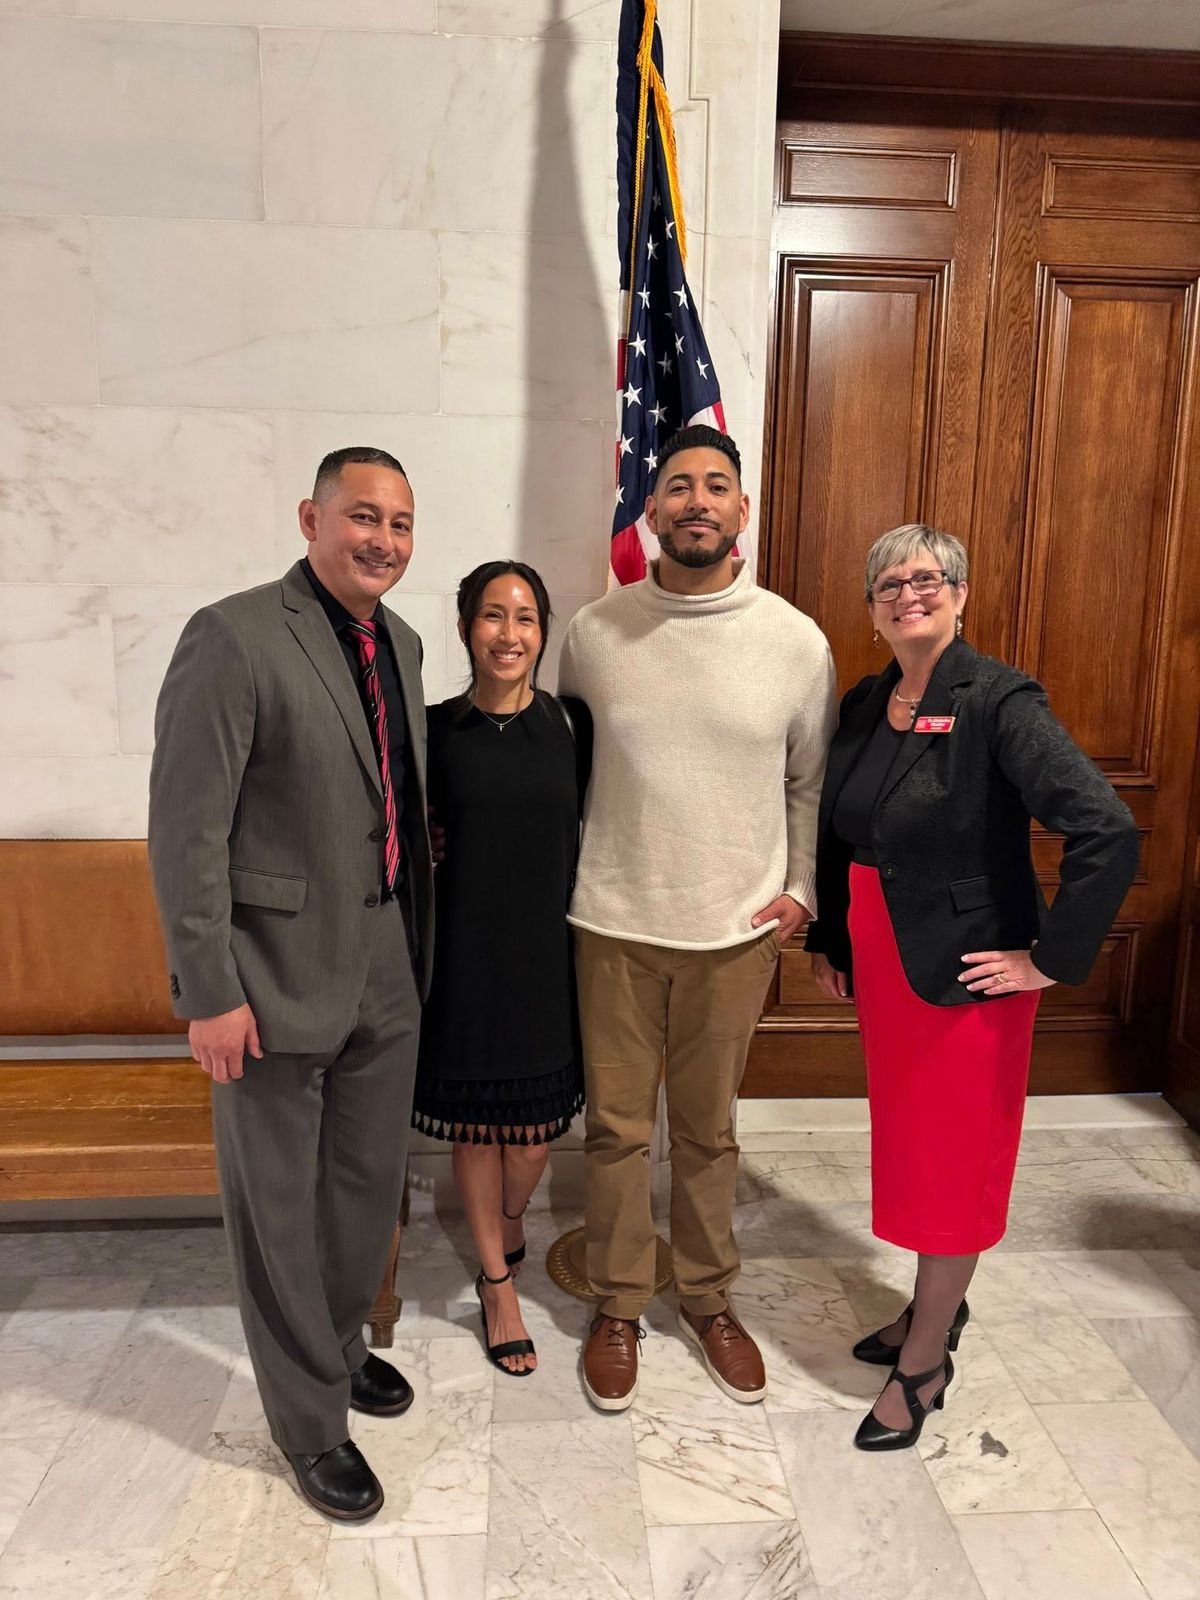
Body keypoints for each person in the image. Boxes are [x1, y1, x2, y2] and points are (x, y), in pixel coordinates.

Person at [806, 523, 1139, 1451]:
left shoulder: (998, 699)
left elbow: (1105, 829)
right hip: (884, 957)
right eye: (889, 584)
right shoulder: (870, 701)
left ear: (960, 593)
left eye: (927, 578)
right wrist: (832, 941)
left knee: (953, 1160)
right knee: (914, 1147)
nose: (908, 594)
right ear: (873, 608)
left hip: (967, 975)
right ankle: (931, 1308)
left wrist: (1048, 958)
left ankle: (924, 1364)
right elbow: (844, 833)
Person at [148, 447, 434, 1521]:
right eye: (364, 516)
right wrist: (206, 988)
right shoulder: (232, 636)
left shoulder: (401, 644)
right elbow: (187, 830)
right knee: (276, 1210)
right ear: (311, 516)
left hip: (386, 972)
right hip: (266, 986)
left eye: (402, 524)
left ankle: (339, 1346)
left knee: (362, 1195)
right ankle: (310, 1426)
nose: (383, 540)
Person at [558, 424, 836, 1411]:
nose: (697, 501)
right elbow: (568, 772)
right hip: (614, 922)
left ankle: (711, 1297)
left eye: (716, 485)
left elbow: (810, 781)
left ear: (741, 512)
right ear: (653, 508)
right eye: (678, 486)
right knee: (619, 1131)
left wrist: (799, 889)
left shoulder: (795, 641)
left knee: (710, 1132)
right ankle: (621, 1301)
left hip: (732, 932)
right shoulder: (594, 635)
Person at [411, 560, 586, 1377]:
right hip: (464, 961)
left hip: (548, 957)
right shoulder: (432, 730)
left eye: (524, 617)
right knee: (479, 1131)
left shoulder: (572, 726)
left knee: (534, 1136)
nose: (508, 633)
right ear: (464, 629)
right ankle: (496, 1284)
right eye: (491, 616)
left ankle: (510, 1219)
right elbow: (394, 832)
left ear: (543, 632)